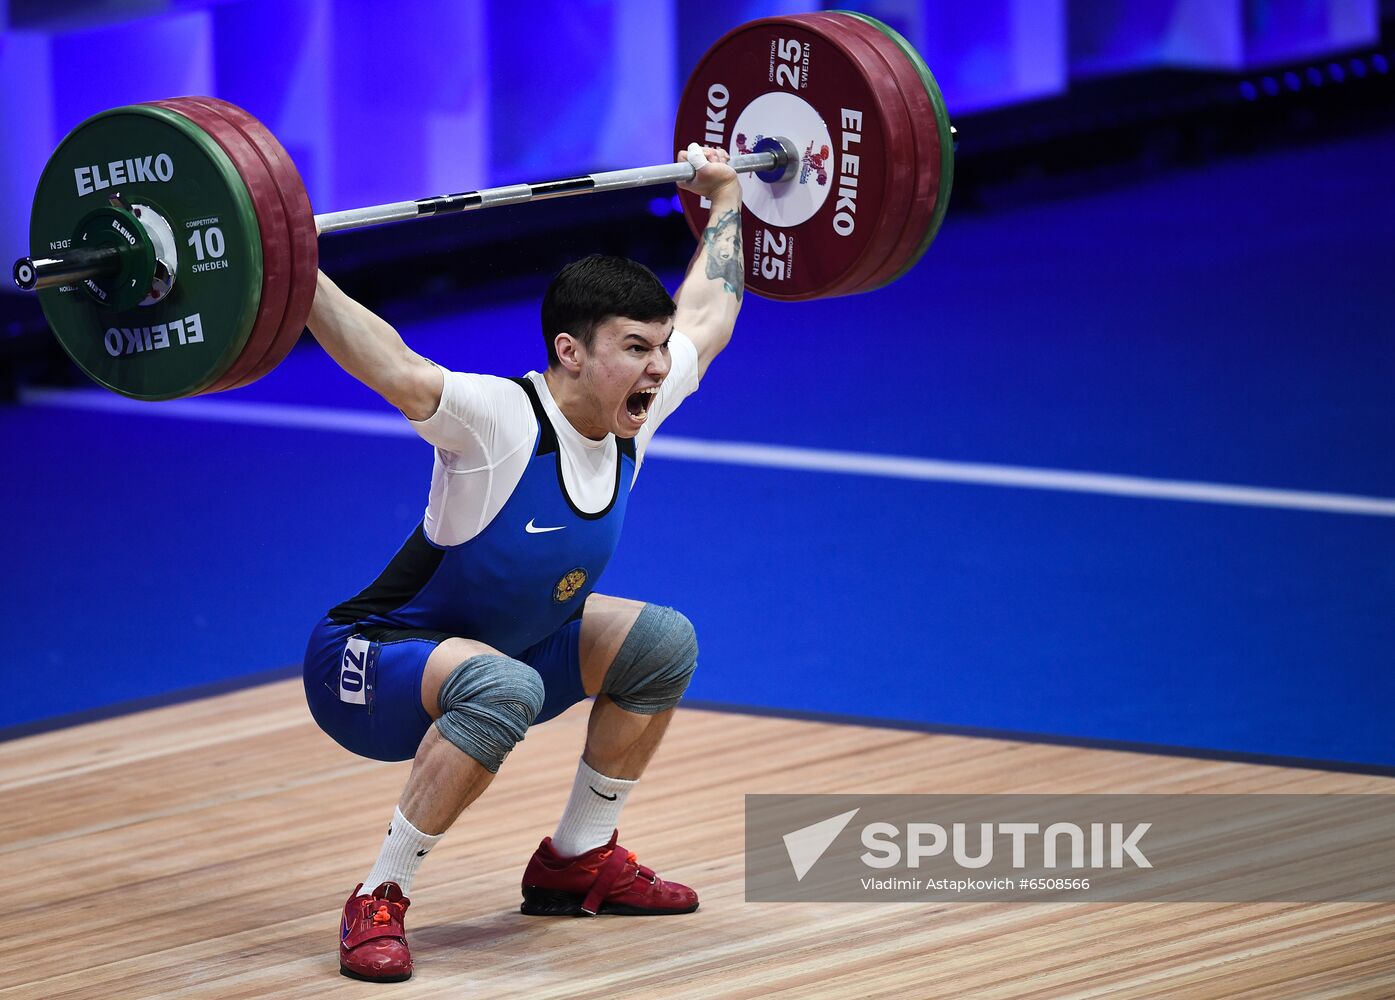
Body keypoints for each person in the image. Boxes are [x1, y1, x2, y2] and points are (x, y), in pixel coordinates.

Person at [301, 145, 743, 982]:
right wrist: (293, 265)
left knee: (661, 643)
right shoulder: (500, 417)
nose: (658, 366)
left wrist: (724, 197)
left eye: (657, 348)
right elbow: (391, 366)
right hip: (367, 665)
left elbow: (709, 317)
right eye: (636, 348)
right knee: (505, 688)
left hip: (500, 652)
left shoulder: (630, 415)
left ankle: (576, 861)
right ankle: (379, 896)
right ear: (570, 352)